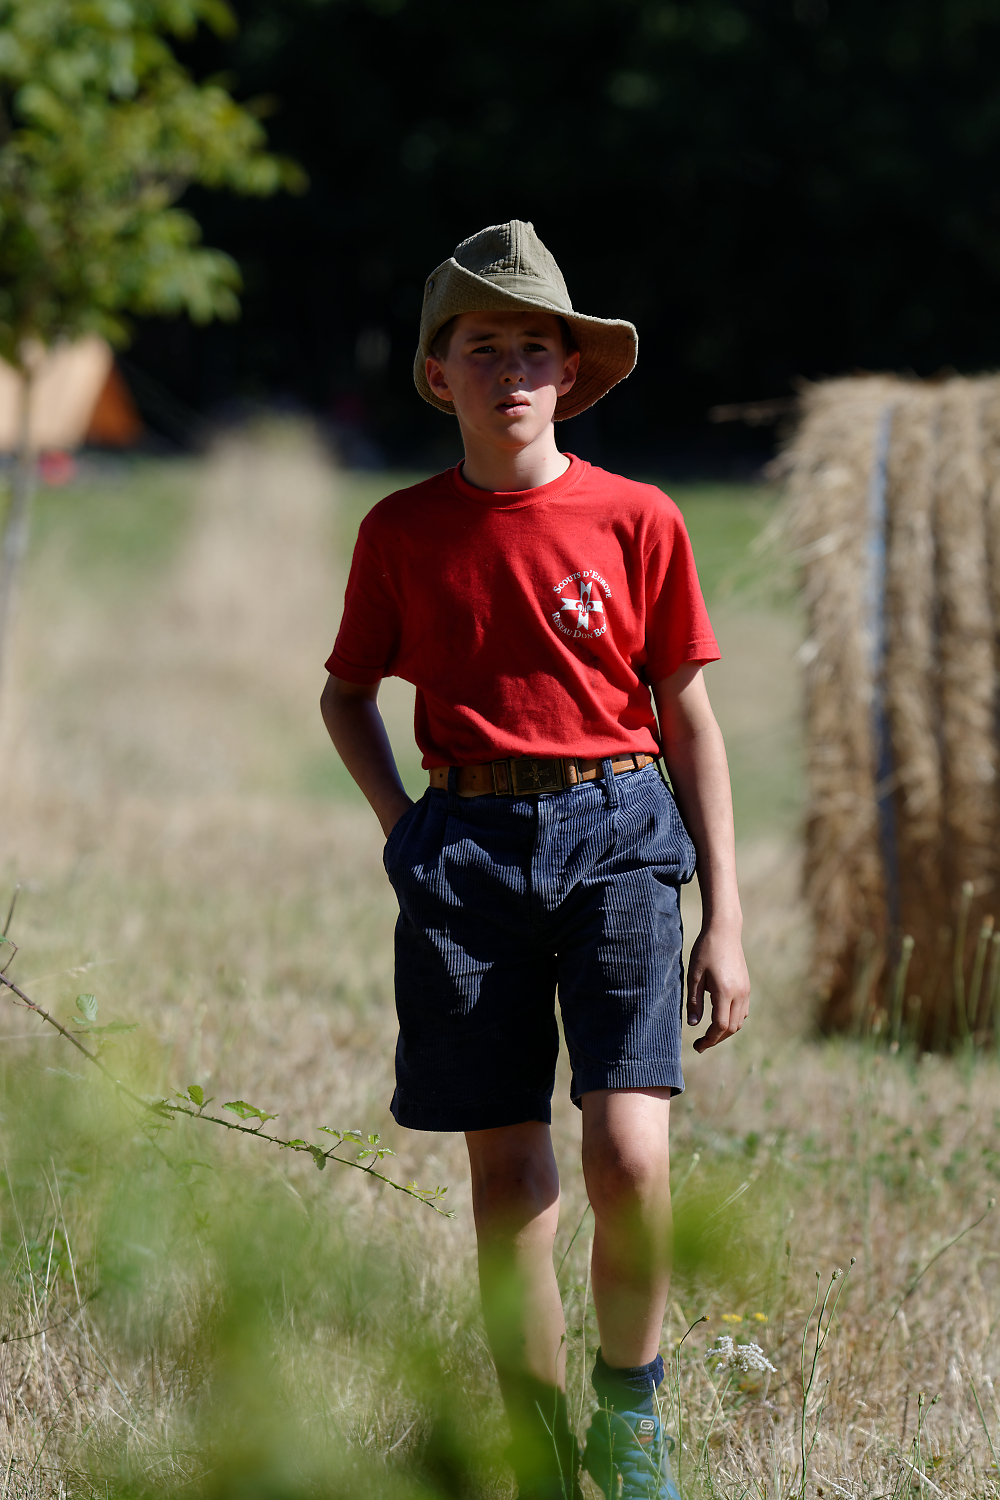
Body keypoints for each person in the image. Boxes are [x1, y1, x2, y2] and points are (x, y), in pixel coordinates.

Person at [321, 220, 750, 1500]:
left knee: (629, 1155)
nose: (509, 371)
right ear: (436, 372)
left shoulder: (638, 519)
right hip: (463, 857)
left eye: (532, 349)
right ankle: (538, 1450)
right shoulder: (401, 531)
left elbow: (687, 720)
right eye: (481, 348)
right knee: (507, 1180)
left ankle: (631, 1414)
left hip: (621, 834)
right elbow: (346, 695)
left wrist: (726, 920)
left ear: (569, 372)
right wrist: (406, 829)